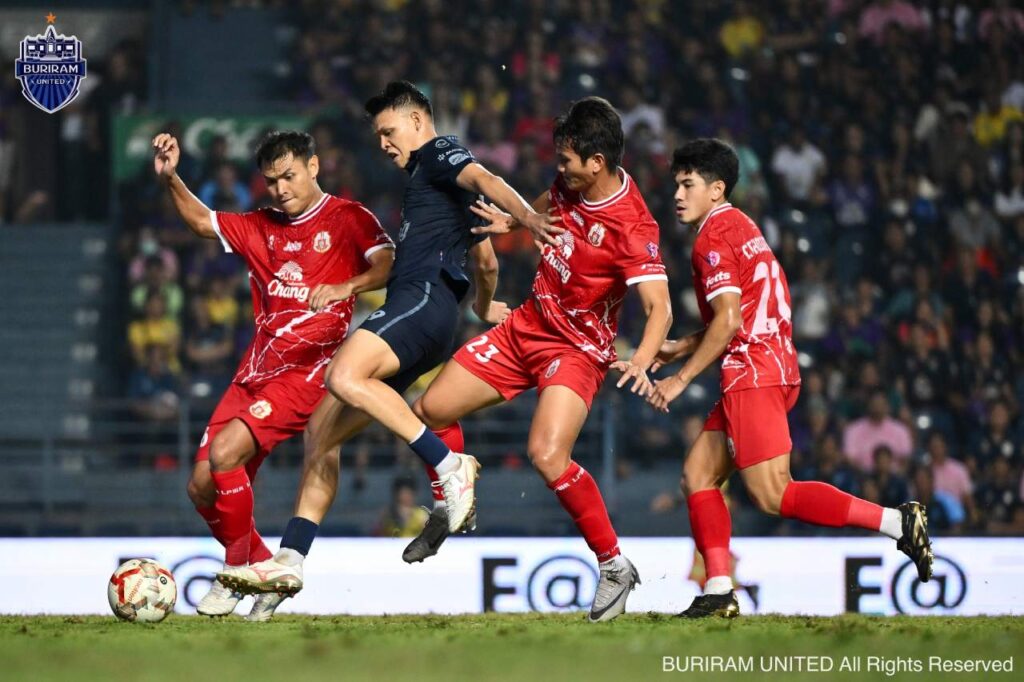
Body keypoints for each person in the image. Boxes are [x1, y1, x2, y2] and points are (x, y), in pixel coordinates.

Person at [216, 80, 557, 606]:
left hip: (418, 303)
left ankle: (448, 466)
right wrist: (486, 305)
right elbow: (484, 260)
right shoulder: (439, 191)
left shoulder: (440, 154)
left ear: (418, 121)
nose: (383, 143)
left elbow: (486, 176)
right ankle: (290, 561)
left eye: (388, 130)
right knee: (321, 436)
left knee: (343, 375)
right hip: (429, 317)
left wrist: (530, 218)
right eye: (378, 134)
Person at [411, 96, 673, 622]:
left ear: (596, 162)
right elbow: (546, 204)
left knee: (547, 455)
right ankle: (451, 497)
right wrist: (516, 222)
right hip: (526, 327)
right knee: (430, 411)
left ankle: (614, 565)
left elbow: (659, 309)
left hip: (576, 350)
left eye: (568, 160)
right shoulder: (569, 185)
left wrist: (641, 359)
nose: (560, 168)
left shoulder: (632, 226)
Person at [647, 138, 933, 618]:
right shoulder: (741, 226)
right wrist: (682, 346)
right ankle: (718, 588)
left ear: (716, 189)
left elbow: (732, 320)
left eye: (688, 184)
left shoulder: (714, 237)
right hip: (769, 364)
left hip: (754, 370)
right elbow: (739, 313)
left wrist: (681, 379)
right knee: (698, 475)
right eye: (676, 183)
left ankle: (896, 522)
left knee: (772, 492)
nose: (677, 193)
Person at [152, 129, 396, 620]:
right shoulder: (260, 225)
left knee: (225, 455)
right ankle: (264, 568)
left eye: (289, 176)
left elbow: (387, 263)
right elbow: (202, 220)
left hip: (309, 369)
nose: (281, 188)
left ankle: (235, 571)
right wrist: (172, 178)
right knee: (201, 486)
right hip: (255, 370)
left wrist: (345, 285)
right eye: (271, 181)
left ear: (313, 166)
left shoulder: (347, 218)